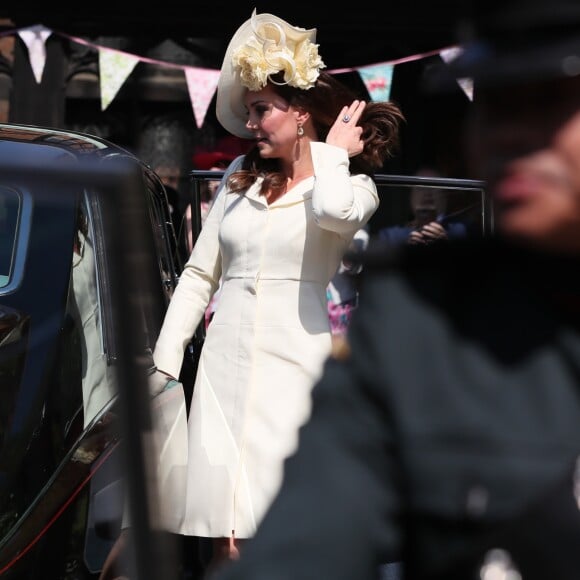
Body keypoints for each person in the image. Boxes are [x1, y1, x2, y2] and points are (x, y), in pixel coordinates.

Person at [211, 1, 580, 579]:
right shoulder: (423, 315)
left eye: (551, 107)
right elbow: (315, 528)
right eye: (497, 107)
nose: (513, 138)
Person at [150, 8, 404, 576]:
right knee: (226, 537)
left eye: (262, 109)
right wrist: (165, 363)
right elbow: (198, 274)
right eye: (249, 111)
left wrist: (333, 155)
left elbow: (334, 212)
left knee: (280, 532)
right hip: (222, 372)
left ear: (303, 113)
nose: (251, 123)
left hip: (295, 370)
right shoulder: (237, 175)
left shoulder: (354, 184)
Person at [377, 168, 468, 246]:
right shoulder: (391, 236)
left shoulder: (460, 232)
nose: (427, 194)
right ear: (410, 197)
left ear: (444, 196)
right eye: (421, 188)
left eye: (434, 186)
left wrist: (446, 247)